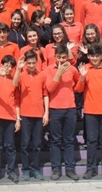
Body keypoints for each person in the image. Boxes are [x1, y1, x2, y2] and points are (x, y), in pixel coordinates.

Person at [75, 44, 102, 181]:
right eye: (92, 56)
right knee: (91, 141)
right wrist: (82, 77)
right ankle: (91, 169)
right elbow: (78, 90)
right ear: (88, 56)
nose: (94, 58)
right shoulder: (85, 68)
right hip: (90, 111)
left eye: (97, 56)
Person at [44, 45, 80, 181]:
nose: (61, 60)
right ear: (55, 57)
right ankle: (56, 169)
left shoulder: (73, 69)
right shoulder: (49, 70)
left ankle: (70, 169)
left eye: (64, 57)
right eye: (59, 57)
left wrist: (82, 79)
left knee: (69, 140)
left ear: (67, 57)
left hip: (70, 108)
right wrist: (58, 73)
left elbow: (78, 86)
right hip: (55, 109)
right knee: (55, 140)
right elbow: (49, 89)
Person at [13, 50, 48, 181]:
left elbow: (45, 94)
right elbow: (14, 84)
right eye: (29, 63)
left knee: (37, 144)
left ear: (37, 62)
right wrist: (18, 69)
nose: (32, 65)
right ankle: (26, 169)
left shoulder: (42, 75)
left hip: (38, 114)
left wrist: (46, 112)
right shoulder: (21, 75)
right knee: (25, 144)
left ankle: (36, 168)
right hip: (25, 114)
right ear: (26, 63)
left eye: (34, 63)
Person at [0, 55, 20, 184]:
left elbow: (16, 101)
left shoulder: (14, 79)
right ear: (2, 65)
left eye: (11, 66)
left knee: (10, 146)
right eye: (6, 65)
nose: (8, 68)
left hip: (10, 117)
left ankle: (11, 171)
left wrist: (18, 119)